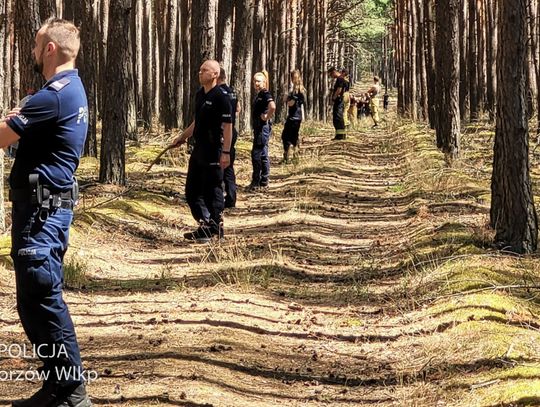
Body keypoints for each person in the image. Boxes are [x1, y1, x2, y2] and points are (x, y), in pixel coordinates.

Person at [0, 18, 92, 406]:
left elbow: (2, 135)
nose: (34, 51)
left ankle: (71, 392)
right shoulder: (67, 91)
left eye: (37, 45)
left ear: (51, 49)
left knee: (42, 300)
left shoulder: (55, 94)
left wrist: (12, 117)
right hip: (42, 211)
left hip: (42, 215)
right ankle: (58, 387)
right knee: (34, 302)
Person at [172, 60, 233, 242]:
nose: (200, 73)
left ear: (214, 74)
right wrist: (182, 137)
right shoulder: (200, 95)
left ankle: (217, 227)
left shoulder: (222, 97)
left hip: (215, 149)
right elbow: (196, 122)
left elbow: (228, 126)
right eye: (200, 70)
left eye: (204, 70)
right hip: (198, 149)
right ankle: (205, 224)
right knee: (192, 191)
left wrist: (226, 152)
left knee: (212, 189)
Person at [217, 68, 239, 208]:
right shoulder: (232, 92)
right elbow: (238, 109)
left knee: (219, 167)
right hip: (232, 131)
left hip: (223, 132)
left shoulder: (218, 94)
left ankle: (217, 200)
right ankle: (231, 197)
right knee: (229, 166)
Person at [249, 71, 275, 190]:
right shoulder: (259, 94)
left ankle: (257, 181)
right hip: (259, 128)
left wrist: (266, 117)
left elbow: (272, 106)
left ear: (264, 82)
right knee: (263, 154)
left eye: (258, 81)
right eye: (255, 81)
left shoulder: (265, 93)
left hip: (262, 128)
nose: (256, 83)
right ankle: (264, 180)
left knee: (257, 154)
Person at [280, 69, 305, 164]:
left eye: (293, 77)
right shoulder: (294, 89)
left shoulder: (298, 91)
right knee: (290, 136)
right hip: (294, 116)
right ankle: (292, 156)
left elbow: (290, 103)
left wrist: (287, 97)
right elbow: (285, 100)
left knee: (287, 136)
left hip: (295, 117)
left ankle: (291, 156)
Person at [328, 67, 346, 140]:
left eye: (331, 75)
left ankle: (340, 136)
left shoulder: (340, 79)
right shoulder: (340, 79)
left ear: (334, 72)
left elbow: (339, 89)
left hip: (339, 100)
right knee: (337, 117)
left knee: (338, 117)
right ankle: (339, 135)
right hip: (339, 100)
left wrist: (334, 97)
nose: (331, 77)